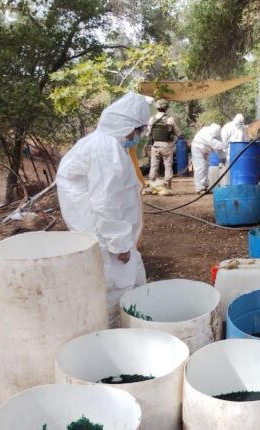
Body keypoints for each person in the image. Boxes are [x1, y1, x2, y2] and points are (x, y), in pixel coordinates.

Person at [56, 92, 150, 327]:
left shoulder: (107, 144)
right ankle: (114, 343)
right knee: (115, 293)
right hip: (105, 237)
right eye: (138, 130)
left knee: (131, 285)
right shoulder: (105, 149)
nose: (137, 137)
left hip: (108, 233)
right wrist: (119, 243)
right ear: (127, 126)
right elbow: (105, 201)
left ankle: (132, 334)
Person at [147, 99, 180, 194]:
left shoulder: (152, 119)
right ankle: (167, 185)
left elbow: (148, 133)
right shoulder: (170, 119)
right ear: (166, 108)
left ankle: (152, 184)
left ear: (157, 108)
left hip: (155, 145)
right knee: (168, 165)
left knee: (153, 165)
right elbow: (178, 132)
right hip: (167, 146)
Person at [191, 123, 225, 193]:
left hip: (206, 150)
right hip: (198, 149)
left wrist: (223, 158)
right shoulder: (205, 133)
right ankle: (199, 188)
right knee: (200, 167)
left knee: (206, 167)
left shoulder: (218, 134)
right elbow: (216, 145)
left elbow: (219, 148)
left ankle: (205, 186)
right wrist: (227, 145)